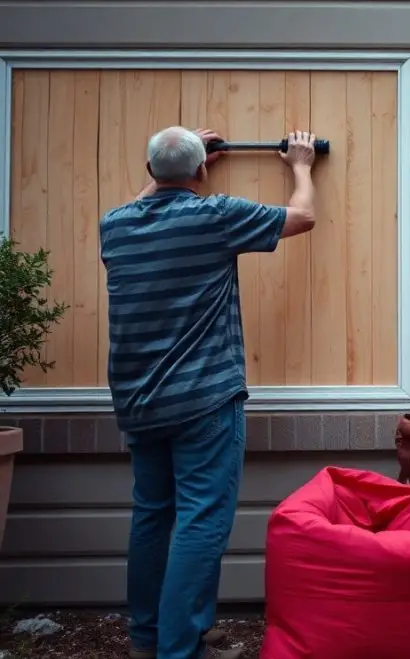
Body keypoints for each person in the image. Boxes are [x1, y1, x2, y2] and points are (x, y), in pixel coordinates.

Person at [99, 126, 318, 659]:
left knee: (153, 515)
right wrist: (302, 168)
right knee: (201, 519)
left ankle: (149, 639)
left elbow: (147, 196)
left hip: (138, 400)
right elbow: (302, 218)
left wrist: (176, 163)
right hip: (202, 399)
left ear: (149, 173)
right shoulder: (214, 215)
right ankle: (180, 649)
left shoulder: (114, 226)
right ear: (200, 172)